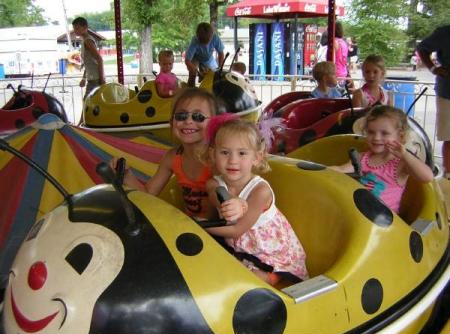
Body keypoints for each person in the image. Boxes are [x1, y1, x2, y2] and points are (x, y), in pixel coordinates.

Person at [204, 119, 309, 285]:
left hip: (268, 251)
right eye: (225, 152)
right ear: (212, 154)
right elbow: (215, 197)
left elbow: (237, 229)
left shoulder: (260, 191)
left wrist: (201, 227)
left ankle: (274, 276)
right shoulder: (214, 183)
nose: (232, 160)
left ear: (257, 157)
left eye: (242, 153)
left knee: (247, 280)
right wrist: (229, 203)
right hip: (239, 245)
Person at [111, 87, 218, 220]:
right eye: (181, 116)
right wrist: (126, 175)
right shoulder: (172, 158)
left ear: (213, 124)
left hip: (221, 232)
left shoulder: (218, 157)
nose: (188, 121)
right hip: (192, 228)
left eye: (198, 117)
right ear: (171, 122)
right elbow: (148, 194)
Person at [330, 105, 433, 213]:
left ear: (400, 137)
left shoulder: (400, 164)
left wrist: (405, 155)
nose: (376, 138)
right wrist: (316, 171)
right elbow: (341, 170)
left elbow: (427, 177)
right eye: (371, 132)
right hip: (358, 213)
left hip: (383, 222)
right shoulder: (362, 157)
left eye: (384, 133)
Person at [417, 25, 450, 177]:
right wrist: (433, 68)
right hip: (447, 93)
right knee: (449, 137)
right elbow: (422, 48)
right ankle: (449, 176)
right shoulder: (445, 32)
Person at [72, 17, 105, 100]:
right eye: (74, 28)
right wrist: (84, 78)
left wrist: (102, 79)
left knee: (87, 105)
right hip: (92, 79)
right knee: (90, 105)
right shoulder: (85, 40)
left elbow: (99, 59)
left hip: (95, 80)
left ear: (85, 27)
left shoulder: (88, 41)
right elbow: (88, 63)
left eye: (77, 28)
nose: (75, 30)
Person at [185, 22, 225, 87]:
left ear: (212, 35)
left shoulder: (215, 38)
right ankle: (190, 90)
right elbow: (187, 60)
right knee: (192, 73)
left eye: (207, 40)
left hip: (209, 58)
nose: (204, 43)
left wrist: (220, 68)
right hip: (195, 57)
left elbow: (221, 53)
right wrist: (196, 71)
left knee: (215, 75)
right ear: (197, 36)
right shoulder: (194, 40)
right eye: (202, 40)